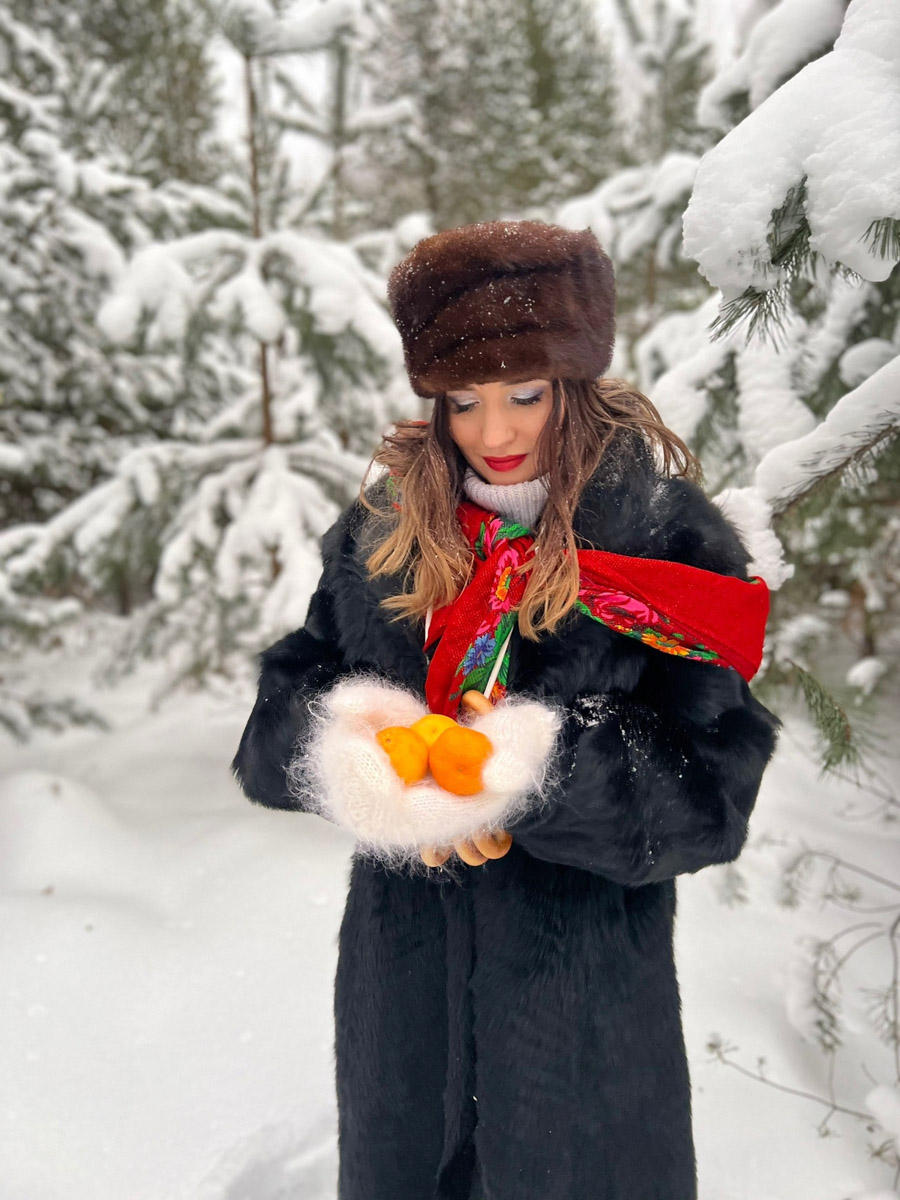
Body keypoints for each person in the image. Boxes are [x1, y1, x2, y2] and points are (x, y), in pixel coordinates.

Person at [231, 219, 781, 1200]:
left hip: (581, 1034)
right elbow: (275, 726)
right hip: (405, 1016)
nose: (495, 431)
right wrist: (374, 768)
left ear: (575, 382)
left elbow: (712, 799)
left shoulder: (666, 546)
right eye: (463, 401)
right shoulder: (382, 536)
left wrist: (529, 775)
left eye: (525, 394)